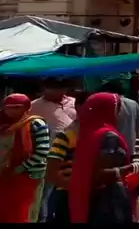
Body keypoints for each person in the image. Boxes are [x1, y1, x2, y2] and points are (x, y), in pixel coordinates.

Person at [68, 92, 139, 223]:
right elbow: (102, 174)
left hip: (90, 198)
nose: (122, 113)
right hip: (109, 203)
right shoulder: (108, 137)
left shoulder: (87, 133)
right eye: (119, 108)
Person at [0, 94, 52, 222]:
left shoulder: (36, 123)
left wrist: (19, 169)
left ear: (26, 108)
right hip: (3, 175)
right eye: (8, 107)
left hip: (28, 175)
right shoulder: (2, 125)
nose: (11, 111)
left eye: (17, 107)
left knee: (23, 212)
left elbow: (42, 152)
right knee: (3, 212)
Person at [28, 77, 76, 222]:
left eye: (59, 88)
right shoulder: (34, 106)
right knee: (45, 194)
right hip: (48, 157)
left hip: (72, 157)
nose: (54, 91)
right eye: (51, 88)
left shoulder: (73, 103)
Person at [45, 93, 89, 224]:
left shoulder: (95, 133)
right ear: (78, 107)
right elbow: (51, 169)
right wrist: (68, 184)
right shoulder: (67, 134)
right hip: (67, 195)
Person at [100, 80, 139, 157]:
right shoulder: (134, 103)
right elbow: (138, 125)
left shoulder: (110, 103)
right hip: (130, 145)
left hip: (115, 147)